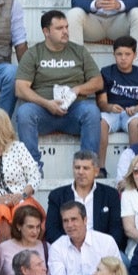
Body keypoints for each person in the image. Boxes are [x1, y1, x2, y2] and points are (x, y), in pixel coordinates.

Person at [14, 9, 103, 166]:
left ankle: (87, 166)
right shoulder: (34, 53)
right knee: (24, 112)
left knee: (92, 112)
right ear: (46, 32)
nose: (65, 32)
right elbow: (20, 88)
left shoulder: (79, 51)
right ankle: (32, 168)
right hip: (43, 112)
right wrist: (46, 103)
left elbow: (98, 82)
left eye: (66, 27)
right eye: (59, 28)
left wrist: (77, 89)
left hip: (73, 111)